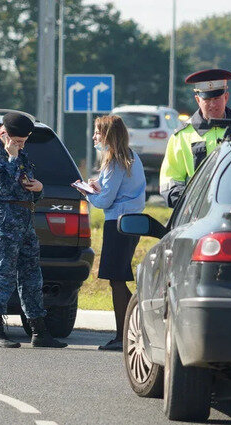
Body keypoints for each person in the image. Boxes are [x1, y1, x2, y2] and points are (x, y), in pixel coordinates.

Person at [0, 112, 67, 349]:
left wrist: (39, 188)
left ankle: (39, 331)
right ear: (5, 134)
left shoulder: (20, 153)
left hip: (25, 219)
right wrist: (12, 156)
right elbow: (5, 188)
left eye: (24, 141)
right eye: (17, 140)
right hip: (4, 221)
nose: (20, 145)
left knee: (31, 276)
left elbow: (27, 185)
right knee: (1, 275)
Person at [74, 115, 146, 351]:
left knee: (116, 280)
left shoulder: (114, 162)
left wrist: (86, 192)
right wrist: (97, 186)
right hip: (130, 222)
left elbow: (105, 200)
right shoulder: (131, 157)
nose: (94, 137)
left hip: (117, 223)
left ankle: (122, 336)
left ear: (108, 135)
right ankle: (127, 333)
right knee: (119, 278)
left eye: (97, 132)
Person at [159, 68, 231, 208]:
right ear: (197, 100)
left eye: (217, 98)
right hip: (195, 213)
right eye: (207, 99)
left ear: (226, 97)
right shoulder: (182, 136)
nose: (213, 105)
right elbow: (170, 180)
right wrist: (189, 204)